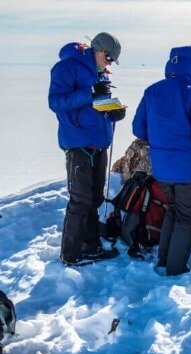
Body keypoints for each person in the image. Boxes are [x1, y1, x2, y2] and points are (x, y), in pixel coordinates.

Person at [132, 46, 191, 276]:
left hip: (162, 169)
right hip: (188, 170)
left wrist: (161, 141)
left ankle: (164, 260)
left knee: (173, 209)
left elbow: (138, 129)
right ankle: (175, 269)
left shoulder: (152, 91)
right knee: (187, 218)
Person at [48, 32, 126, 266]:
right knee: (80, 200)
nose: (109, 63)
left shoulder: (99, 71)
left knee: (94, 199)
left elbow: (97, 104)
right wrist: (89, 93)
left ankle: (90, 247)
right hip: (78, 143)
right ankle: (69, 255)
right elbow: (56, 102)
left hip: (98, 142)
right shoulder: (67, 67)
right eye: (109, 58)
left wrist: (114, 111)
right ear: (99, 50)